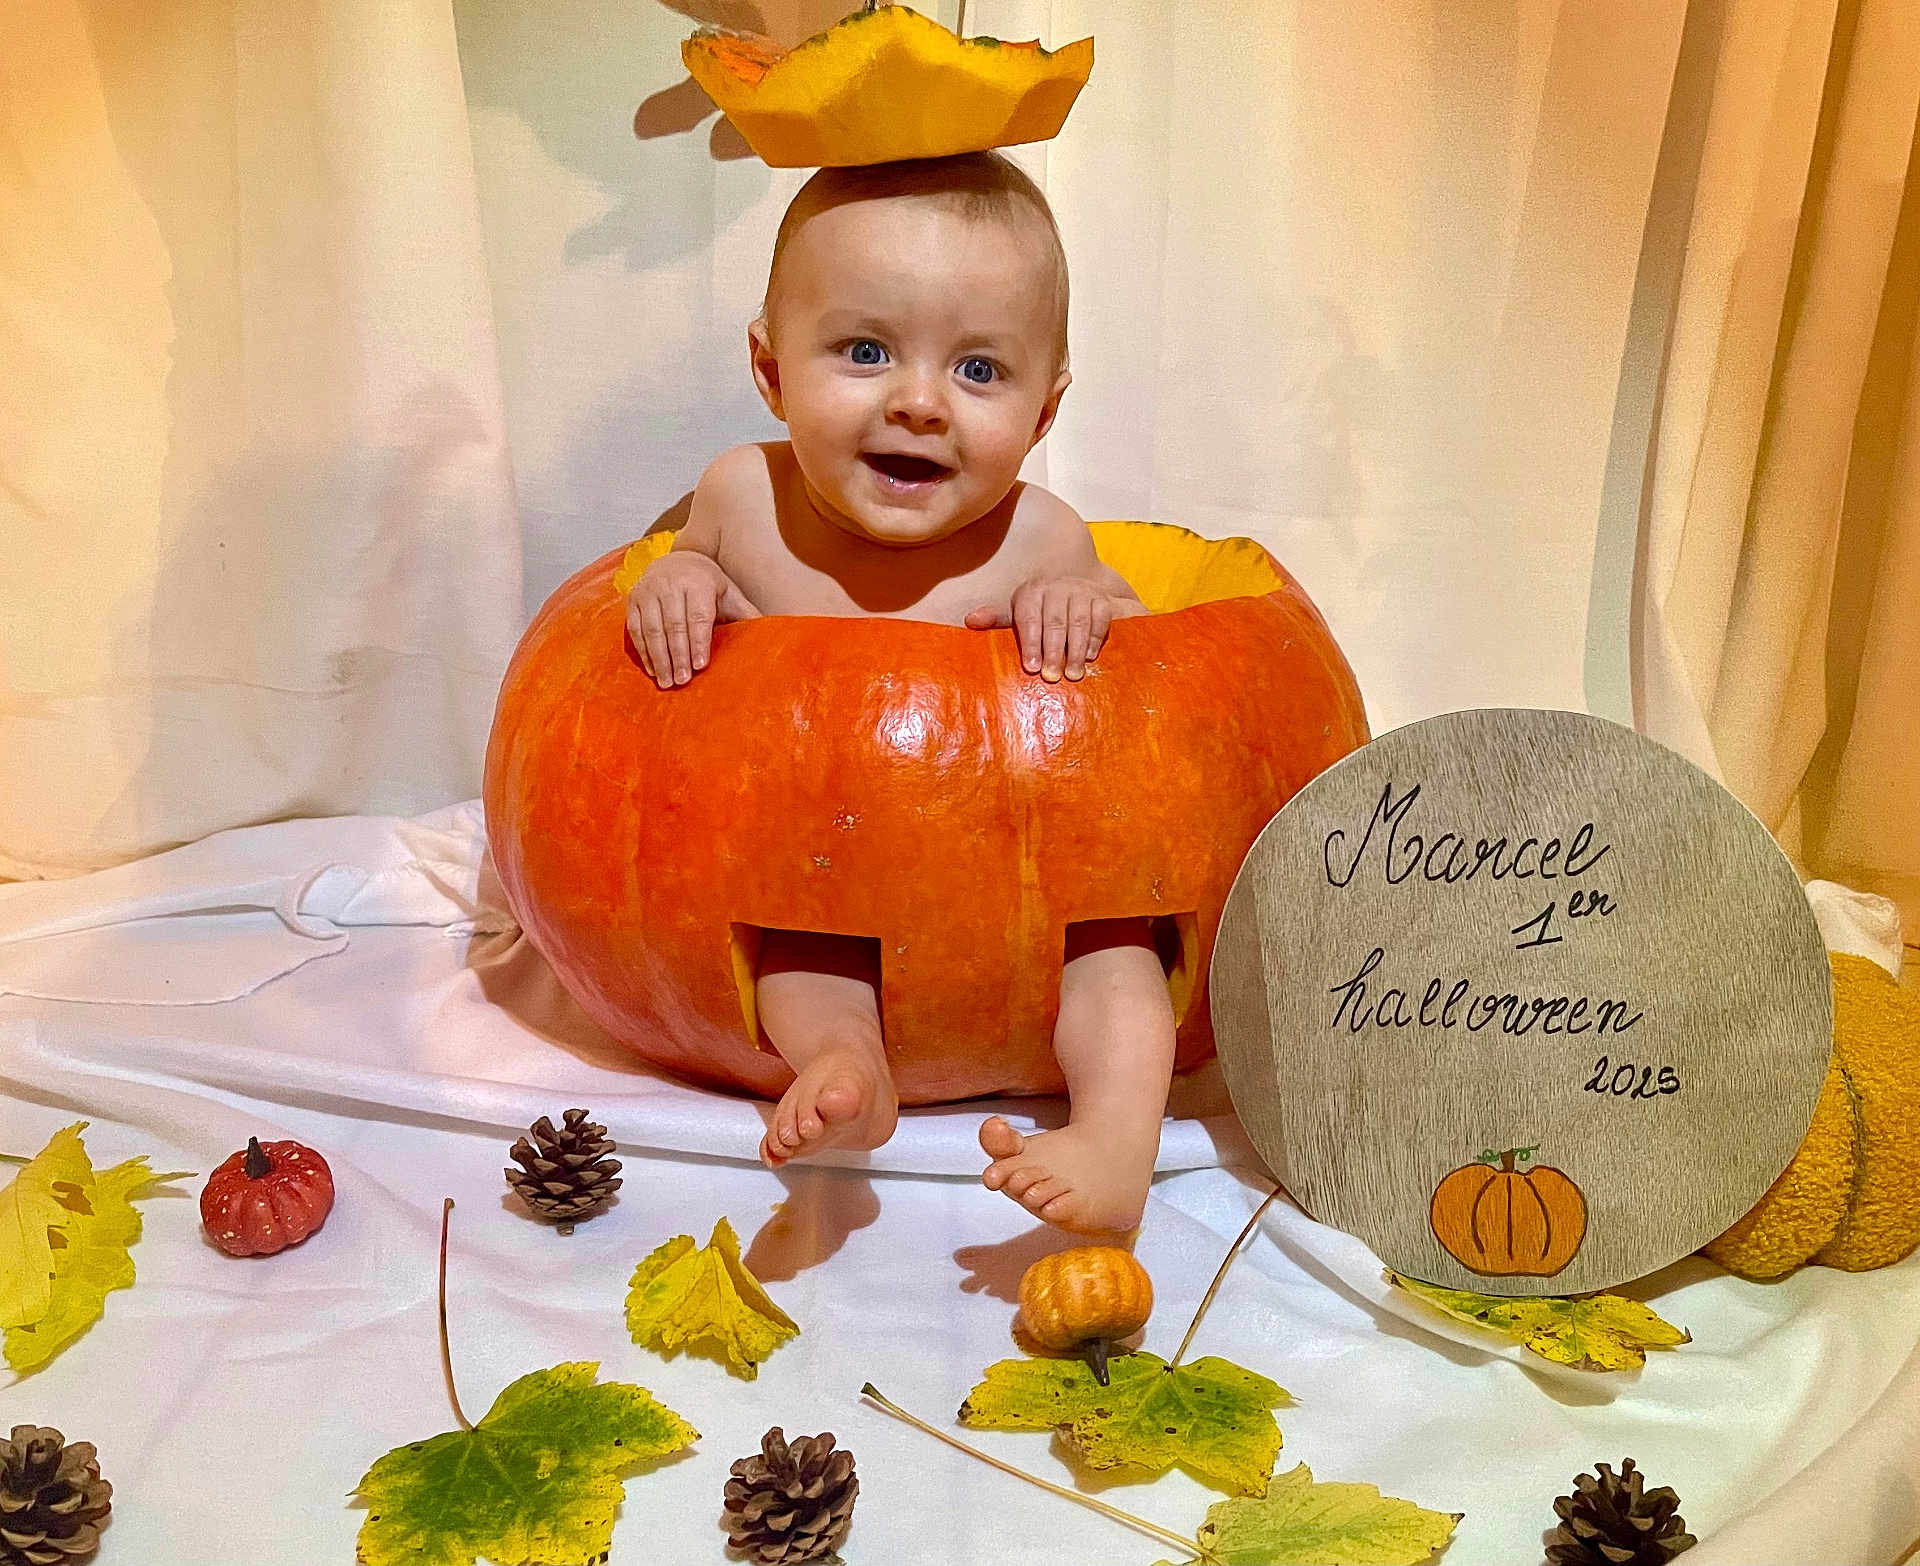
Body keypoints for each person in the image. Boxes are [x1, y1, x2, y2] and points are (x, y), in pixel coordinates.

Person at [624, 151, 1171, 1236]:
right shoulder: (741, 500)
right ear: (772, 369)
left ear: (1045, 411)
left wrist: (1087, 601)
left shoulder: (1042, 537)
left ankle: (1117, 1137)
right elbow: (680, 575)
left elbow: (1168, 682)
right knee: (793, 952)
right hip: (826, 864)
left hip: (1021, 879)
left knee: (1121, 953)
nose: (919, 404)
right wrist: (682, 583)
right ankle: (848, 1062)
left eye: (979, 370)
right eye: (866, 351)